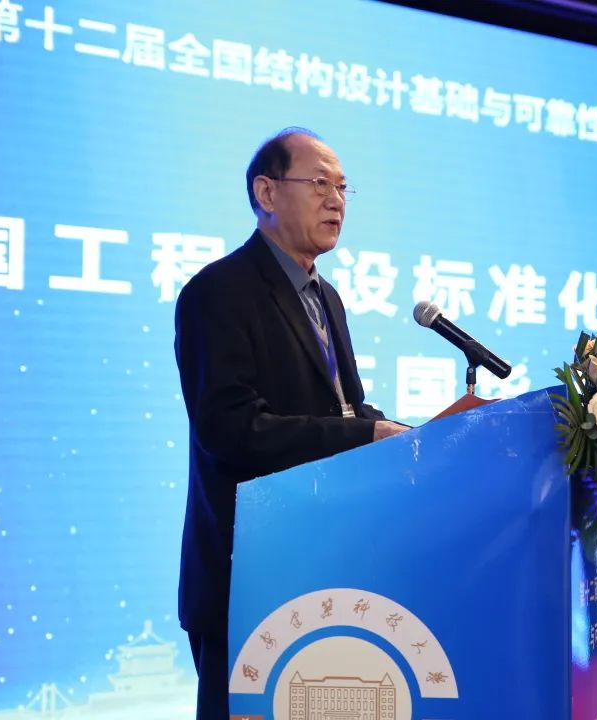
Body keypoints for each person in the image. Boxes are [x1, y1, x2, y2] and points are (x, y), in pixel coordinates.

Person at [173, 127, 410, 717]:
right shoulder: (217, 292)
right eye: (320, 183)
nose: (337, 200)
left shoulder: (327, 298)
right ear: (267, 192)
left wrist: (407, 434)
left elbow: (344, 410)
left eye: (344, 188)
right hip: (248, 575)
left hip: (323, 569)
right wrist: (363, 434)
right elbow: (230, 429)